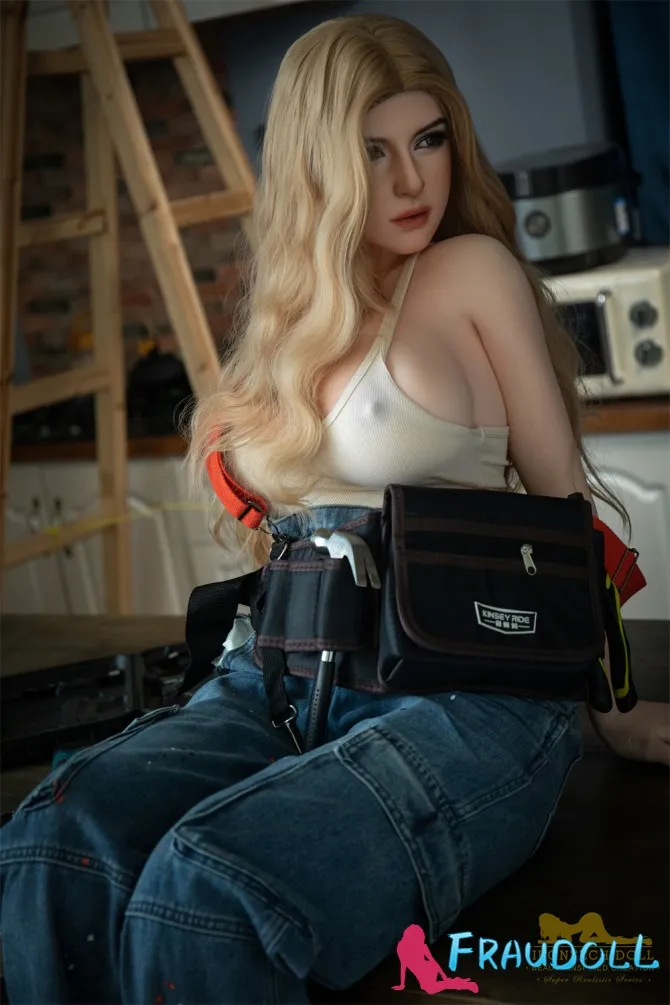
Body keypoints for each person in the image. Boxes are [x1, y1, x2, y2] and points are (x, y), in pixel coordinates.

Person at [1, 13, 668, 1004]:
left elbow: (565, 518)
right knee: (51, 842)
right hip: (274, 681)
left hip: (464, 695)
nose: (410, 180)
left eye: (428, 139)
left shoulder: (470, 273)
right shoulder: (285, 319)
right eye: (372, 151)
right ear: (316, 164)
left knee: (208, 892)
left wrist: (613, 714)